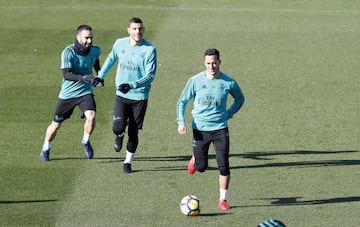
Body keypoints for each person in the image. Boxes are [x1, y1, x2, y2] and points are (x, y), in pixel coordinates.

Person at [176, 48, 245, 210]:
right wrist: (181, 122)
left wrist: (229, 113)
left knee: (224, 164)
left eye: (214, 63)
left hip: (221, 129)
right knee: (200, 168)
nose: (211, 66)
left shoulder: (228, 82)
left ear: (219, 62)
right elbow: (182, 102)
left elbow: (240, 99)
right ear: (204, 63)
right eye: (208, 63)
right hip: (200, 129)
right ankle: (195, 158)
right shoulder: (195, 81)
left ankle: (223, 200)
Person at [94, 17, 157, 173]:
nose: (138, 31)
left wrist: (132, 85)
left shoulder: (149, 49)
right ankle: (119, 134)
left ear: (143, 30)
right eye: (134, 29)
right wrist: (100, 76)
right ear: (128, 30)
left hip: (139, 97)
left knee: (134, 132)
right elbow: (110, 60)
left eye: (140, 28)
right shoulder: (119, 43)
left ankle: (128, 162)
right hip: (121, 96)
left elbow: (150, 75)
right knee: (117, 126)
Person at [39, 24, 102, 161]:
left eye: (91, 38)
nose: (89, 41)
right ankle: (46, 147)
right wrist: (82, 78)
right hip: (68, 94)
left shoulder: (95, 50)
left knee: (91, 116)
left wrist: (99, 76)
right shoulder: (68, 52)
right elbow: (66, 74)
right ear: (78, 37)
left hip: (85, 91)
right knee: (56, 124)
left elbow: (96, 61)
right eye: (86, 38)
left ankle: (85, 141)